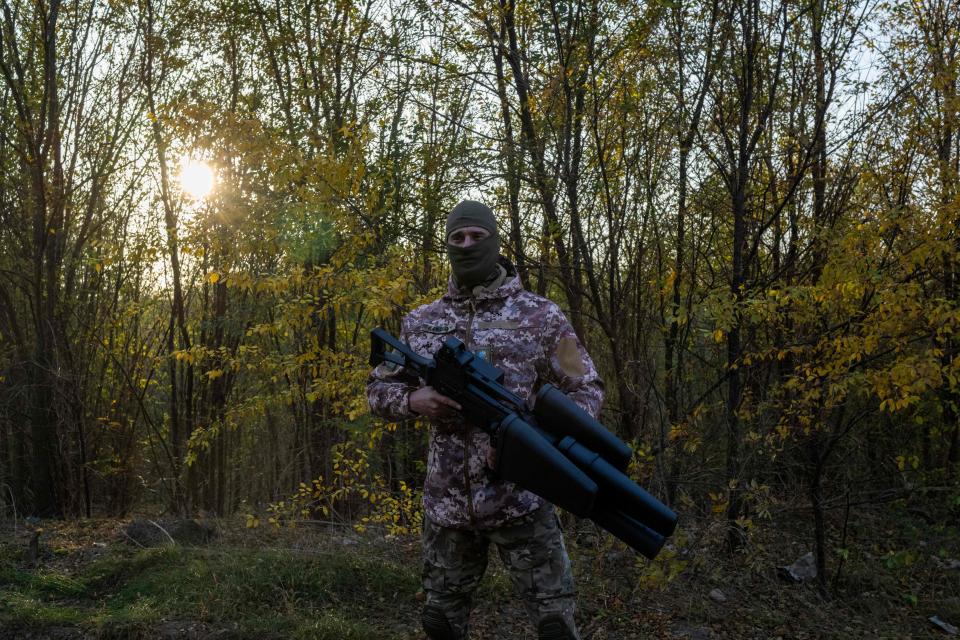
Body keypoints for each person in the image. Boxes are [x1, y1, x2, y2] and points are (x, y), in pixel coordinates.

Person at [366, 200, 603, 640]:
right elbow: (378, 391)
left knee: (555, 626)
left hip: (523, 500)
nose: (467, 244)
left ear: (495, 241)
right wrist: (414, 400)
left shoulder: (541, 315)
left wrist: (539, 444)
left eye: (477, 236)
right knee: (441, 623)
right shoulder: (422, 321)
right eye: (457, 238)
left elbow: (585, 387)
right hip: (448, 505)